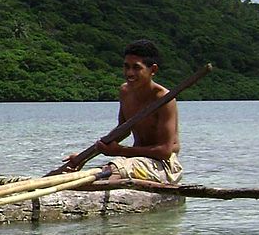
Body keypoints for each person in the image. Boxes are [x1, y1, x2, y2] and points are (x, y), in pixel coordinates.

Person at [75, 39, 183, 184]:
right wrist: (82, 158)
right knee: (98, 172)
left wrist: (119, 151)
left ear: (153, 70)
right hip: (135, 159)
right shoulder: (125, 92)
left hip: (164, 165)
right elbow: (122, 131)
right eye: (126, 67)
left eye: (136, 68)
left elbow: (164, 151)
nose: (129, 73)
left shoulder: (164, 99)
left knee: (111, 172)